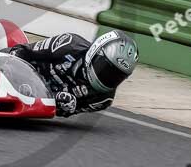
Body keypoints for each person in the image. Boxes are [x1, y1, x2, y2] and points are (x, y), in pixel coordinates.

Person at [8, 29, 138, 118]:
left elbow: (63, 112)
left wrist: (60, 104)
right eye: (106, 69)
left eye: (117, 76)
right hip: (12, 72)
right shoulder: (69, 43)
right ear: (95, 51)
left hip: (31, 98)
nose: (108, 77)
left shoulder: (104, 99)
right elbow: (23, 51)